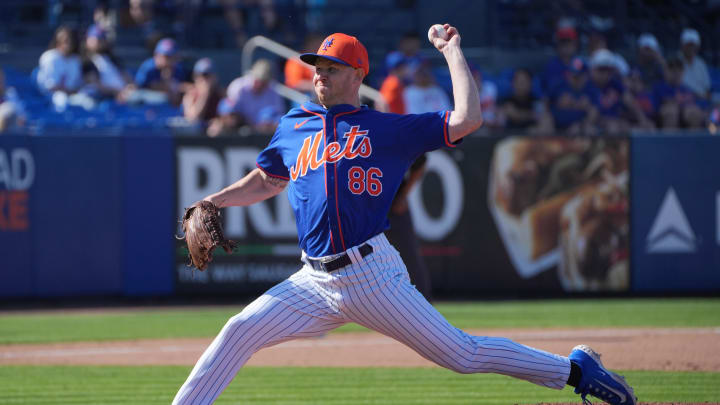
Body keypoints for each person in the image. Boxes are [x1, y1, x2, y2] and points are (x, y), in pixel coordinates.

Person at [172, 26, 636, 405]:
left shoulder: (387, 127)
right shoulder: (294, 124)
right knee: (237, 332)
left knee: (463, 354)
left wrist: (453, 53)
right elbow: (269, 180)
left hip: (370, 275)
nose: (319, 74)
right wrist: (216, 200)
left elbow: (467, 120)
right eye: (317, 66)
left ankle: (576, 371)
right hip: (312, 282)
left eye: (331, 68)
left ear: (357, 75)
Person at [219, 58, 285, 134]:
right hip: (239, 128)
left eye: (264, 81)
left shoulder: (273, 91)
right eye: (258, 79)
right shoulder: (237, 87)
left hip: (265, 133)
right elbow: (228, 111)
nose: (260, 84)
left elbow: (280, 117)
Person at [652, 56, 707, 129]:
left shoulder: (686, 89)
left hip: (685, 115)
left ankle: (694, 140)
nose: (676, 72)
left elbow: (699, 104)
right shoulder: (659, 87)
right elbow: (656, 108)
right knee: (671, 111)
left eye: (679, 69)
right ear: (665, 71)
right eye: (672, 69)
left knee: (694, 113)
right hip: (662, 120)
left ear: (682, 71)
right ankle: (669, 140)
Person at [133, 37, 188, 105]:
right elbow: (138, 88)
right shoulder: (148, 68)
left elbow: (178, 89)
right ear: (156, 55)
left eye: (171, 56)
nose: (168, 60)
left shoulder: (178, 69)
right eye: (165, 56)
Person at [83, 24, 130, 99]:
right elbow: (95, 84)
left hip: (125, 95)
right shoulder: (86, 61)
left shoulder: (113, 59)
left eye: (101, 39)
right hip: (106, 97)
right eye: (96, 38)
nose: (99, 42)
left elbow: (127, 78)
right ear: (87, 39)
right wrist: (117, 92)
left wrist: (130, 87)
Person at [500, 68, 553, 134]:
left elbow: (544, 117)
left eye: (524, 82)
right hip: (509, 137)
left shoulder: (536, 101)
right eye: (518, 82)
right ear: (513, 83)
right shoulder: (506, 100)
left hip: (532, 137)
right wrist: (532, 115)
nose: (521, 85)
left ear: (530, 84)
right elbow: (514, 115)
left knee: (547, 120)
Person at [36, 25, 83, 96]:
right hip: (48, 96)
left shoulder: (75, 60)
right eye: (65, 41)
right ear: (58, 41)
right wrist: (70, 92)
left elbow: (77, 84)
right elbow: (50, 86)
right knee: (61, 98)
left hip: (71, 95)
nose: (69, 44)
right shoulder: (50, 57)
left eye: (71, 41)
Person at [182, 58, 224, 125]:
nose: (203, 80)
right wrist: (204, 95)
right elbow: (193, 118)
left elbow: (228, 118)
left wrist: (218, 122)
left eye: (207, 76)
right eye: (200, 75)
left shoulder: (220, 94)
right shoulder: (190, 95)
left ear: (215, 77)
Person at [678, 28, 711, 100]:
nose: (690, 48)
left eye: (693, 45)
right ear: (682, 45)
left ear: (697, 46)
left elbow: (707, 89)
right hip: (683, 100)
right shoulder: (675, 62)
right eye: (688, 45)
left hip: (702, 101)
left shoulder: (701, 63)